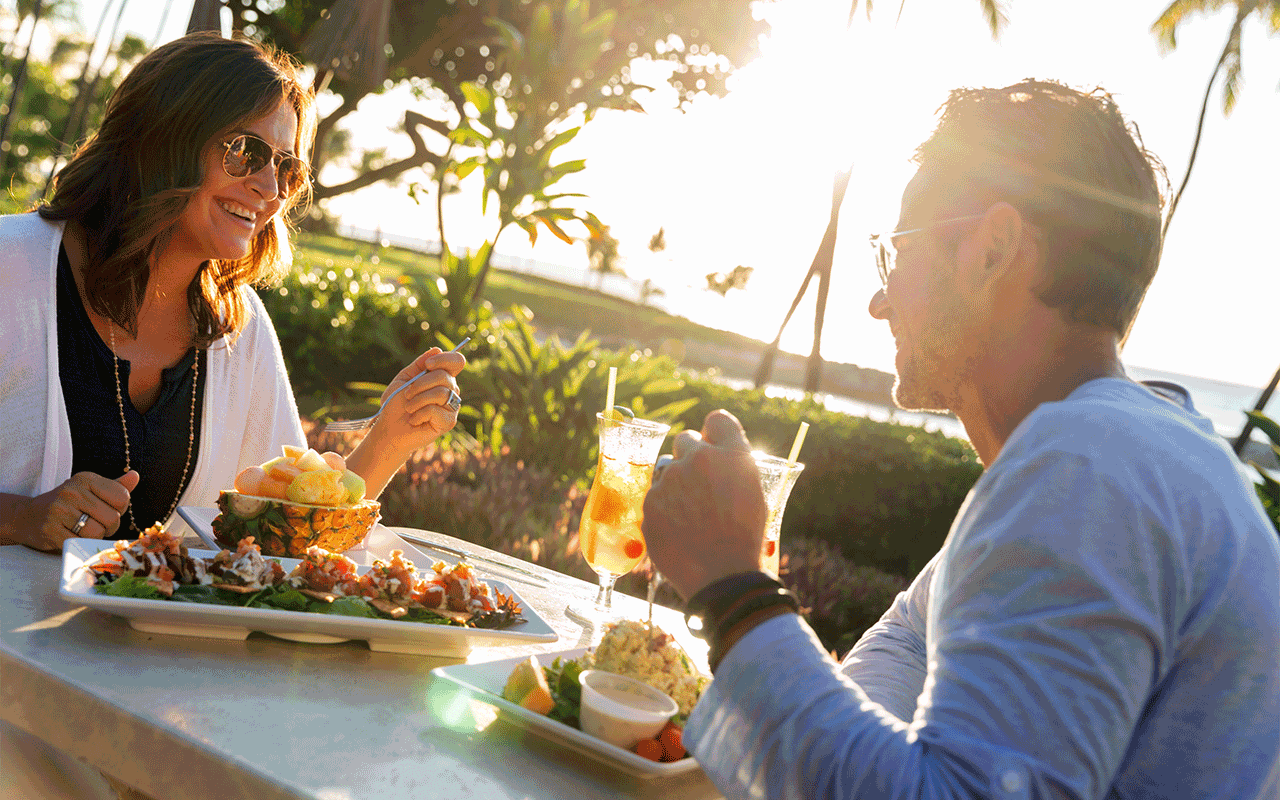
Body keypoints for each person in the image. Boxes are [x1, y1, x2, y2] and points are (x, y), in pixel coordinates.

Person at [642, 80, 1280, 799]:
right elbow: (902, 656)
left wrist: (731, 590)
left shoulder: (1089, 470)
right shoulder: (1132, 454)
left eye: (896, 253)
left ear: (992, 250)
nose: (880, 299)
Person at [0, 32, 465, 552]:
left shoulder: (236, 327)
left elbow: (285, 531)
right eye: (245, 152)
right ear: (163, 138)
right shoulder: (9, 265)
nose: (269, 189)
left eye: (287, 169)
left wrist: (389, 439)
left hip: (151, 638)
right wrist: (18, 518)